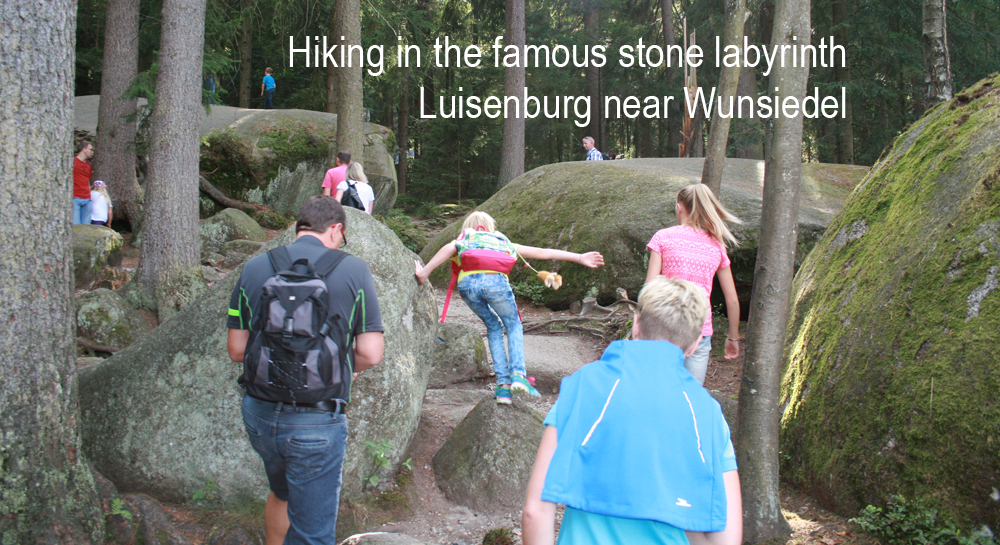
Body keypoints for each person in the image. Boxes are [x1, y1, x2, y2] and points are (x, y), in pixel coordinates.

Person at [522, 276, 743, 545]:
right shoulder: (708, 413)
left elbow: (536, 512)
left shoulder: (583, 386)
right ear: (695, 343)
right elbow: (724, 539)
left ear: (636, 325)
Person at [227, 196, 384, 545]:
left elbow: (237, 350)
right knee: (312, 532)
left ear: (299, 227)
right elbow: (371, 354)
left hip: (260, 415)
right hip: (317, 422)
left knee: (281, 493)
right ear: (337, 229)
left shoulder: (254, 267)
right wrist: (339, 367)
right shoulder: (353, 270)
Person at [415, 211, 605, 404]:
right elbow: (543, 252)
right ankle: (518, 375)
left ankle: (504, 387)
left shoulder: (466, 238)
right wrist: (580, 257)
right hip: (495, 283)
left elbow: (448, 248)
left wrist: (424, 273)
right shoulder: (502, 241)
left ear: (468, 226)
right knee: (513, 325)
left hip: (467, 287)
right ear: (491, 227)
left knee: (493, 327)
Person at [645, 184, 742, 385]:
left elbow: (649, 287)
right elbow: (732, 300)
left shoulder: (663, 236)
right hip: (699, 330)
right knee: (691, 396)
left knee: (660, 390)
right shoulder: (716, 245)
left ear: (679, 207)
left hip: (665, 327)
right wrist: (733, 337)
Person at [73, 140, 94, 224]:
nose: (92, 152)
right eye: (91, 149)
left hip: (87, 199)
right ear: (84, 149)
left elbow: (88, 179)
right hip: (75, 198)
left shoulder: (88, 164)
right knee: (76, 225)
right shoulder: (73, 161)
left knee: (86, 226)